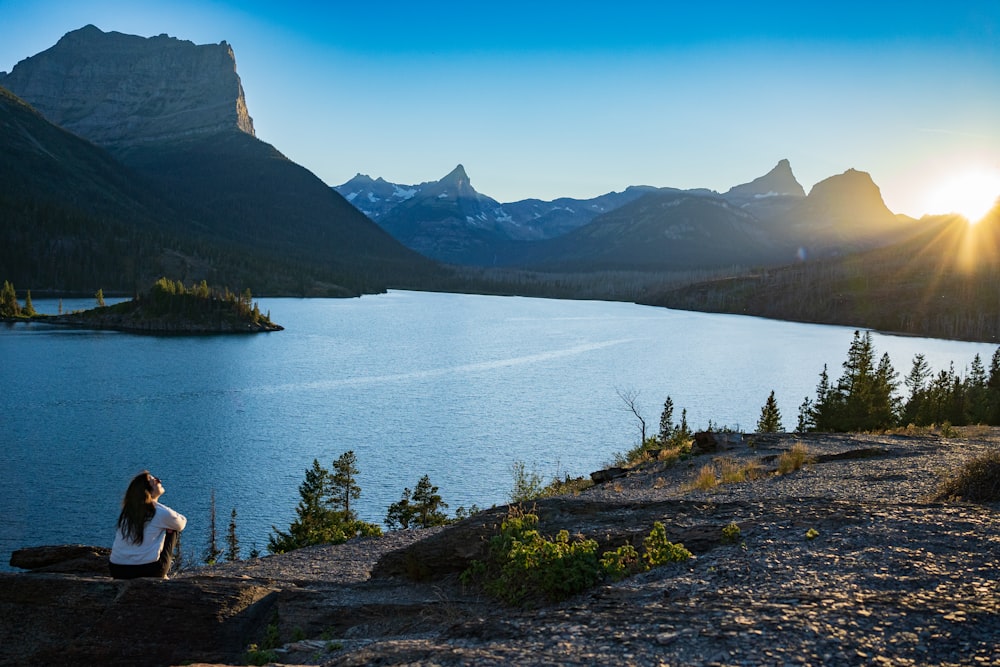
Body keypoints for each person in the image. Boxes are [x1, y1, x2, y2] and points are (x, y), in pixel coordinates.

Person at [109, 471, 187, 579]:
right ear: (146, 491)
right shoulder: (159, 512)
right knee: (173, 529)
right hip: (148, 570)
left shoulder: (127, 513)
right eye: (154, 481)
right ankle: (163, 576)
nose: (159, 480)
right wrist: (157, 504)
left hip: (117, 570)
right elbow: (182, 523)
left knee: (169, 524)